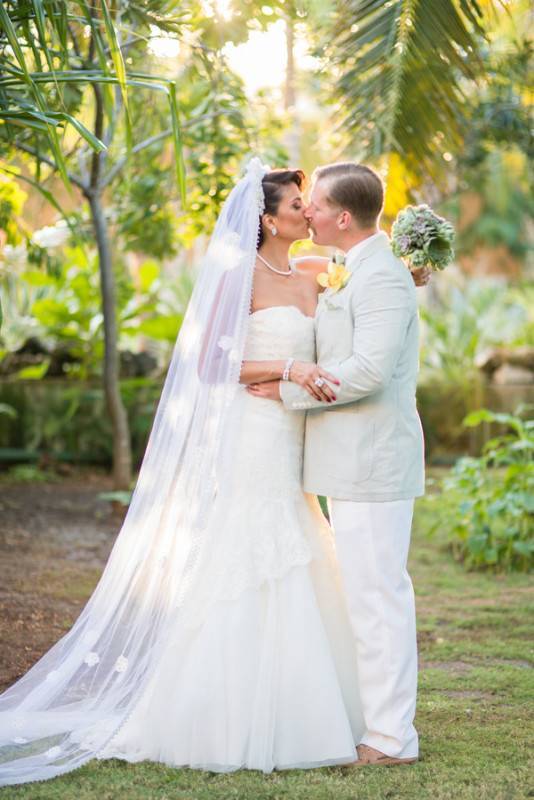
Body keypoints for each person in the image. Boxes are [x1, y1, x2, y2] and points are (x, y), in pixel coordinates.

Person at [248, 162, 426, 766]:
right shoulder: (357, 269)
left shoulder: (379, 279)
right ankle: (380, 725)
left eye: (315, 205)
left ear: (341, 217)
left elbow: (371, 370)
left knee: (379, 600)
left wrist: (290, 390)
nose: (308, 213)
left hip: (372, 462)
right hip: (347, 462)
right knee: (367, 598)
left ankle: (392, 739)